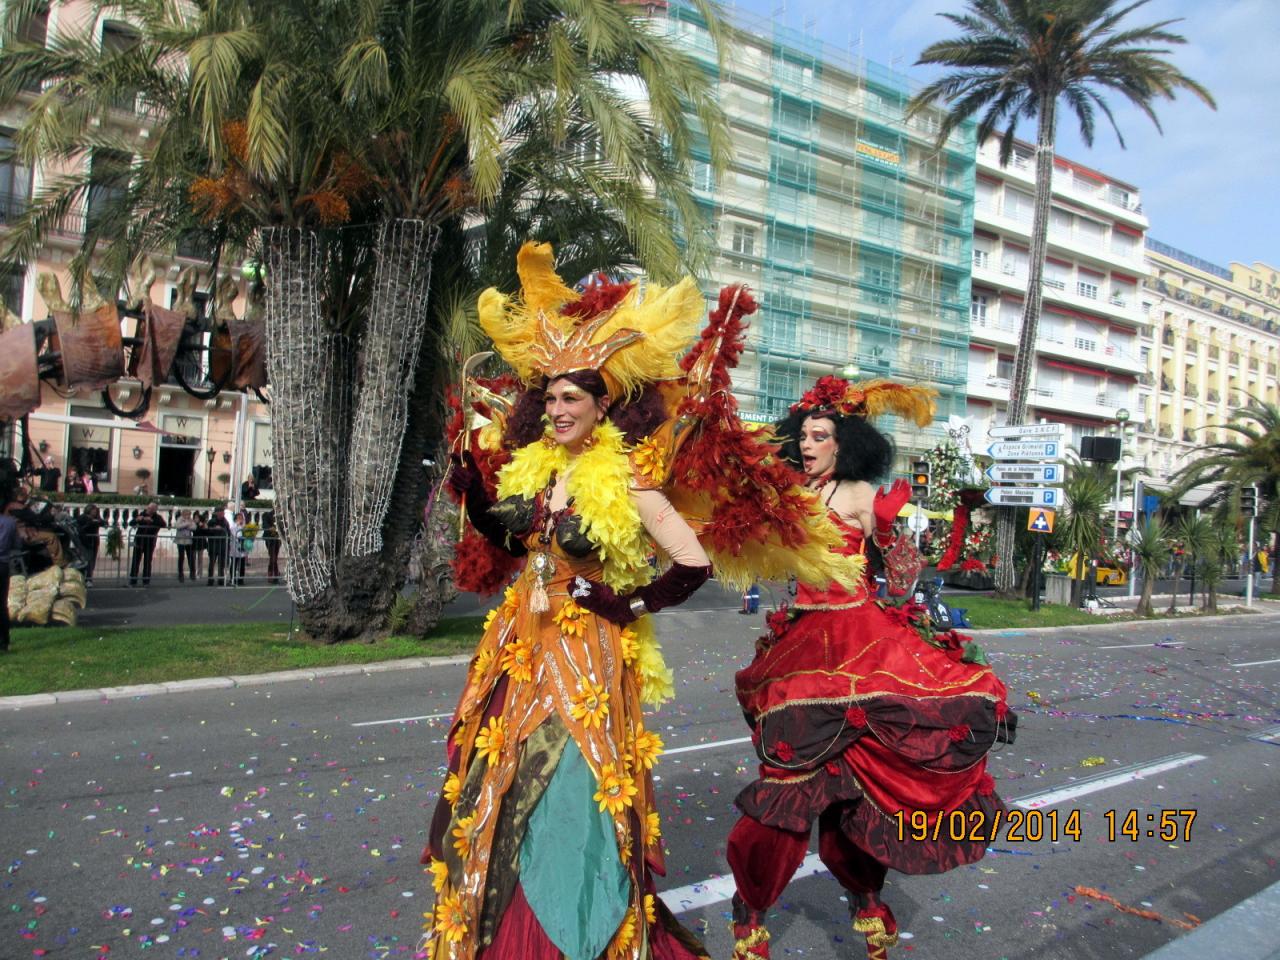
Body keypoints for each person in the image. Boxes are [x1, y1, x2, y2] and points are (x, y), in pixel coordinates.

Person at [726, 376, 1017, 960]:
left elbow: (905, 576)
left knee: (853, 789)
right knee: (787, 785)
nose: (809, 445)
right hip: (802, 644)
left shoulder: (859, 493)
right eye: (803, 435)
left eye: (821, 436)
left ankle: (864, 899)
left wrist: (888, 528)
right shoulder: (789, 494)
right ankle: (752, 912)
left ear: (845, 442)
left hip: (861, 638)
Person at [128, 502, 167, 586]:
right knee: (135, 560)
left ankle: (146, 580)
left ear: (154, 510)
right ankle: (133, 580)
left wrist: (151, 521)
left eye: (151, 508)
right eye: (148, 508)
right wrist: (139, 519)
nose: (148, 510)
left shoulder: (157, 517)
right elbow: (131, 523)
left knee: (147, 561)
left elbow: (163, 524)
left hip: (150, 542)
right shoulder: (142, 514)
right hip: (139, 541)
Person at [75, 504, 108, 585]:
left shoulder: (97, 518)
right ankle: (82, 578)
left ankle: (89, 578)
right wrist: (91, 521)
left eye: (96, 511)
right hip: (85, 541)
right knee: (84, 560)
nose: (95, 512)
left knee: (92, 560)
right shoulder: (82, 517)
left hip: (94, 541)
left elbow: (104, 523)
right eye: (93, 511)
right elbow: (79, 524)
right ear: (89, 510)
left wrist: (99, 520)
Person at [206, 509, 229, 585]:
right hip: (213, 544)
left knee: (221, 564)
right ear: (217, 513)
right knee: (212, 563)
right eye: (221, 513)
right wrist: (214, 528)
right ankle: (210, 579)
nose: (222, 514)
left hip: (222, 545)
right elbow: (207, 531)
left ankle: (221, 579)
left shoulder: (225, 521)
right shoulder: (212, 521)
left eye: (223, 513)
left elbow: (228, 532)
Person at [174, 510, 197, 582]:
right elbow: (178, 526)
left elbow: (194, 527)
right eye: (187, 514)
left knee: (191, 557)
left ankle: (192, 573)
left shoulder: (191, 520)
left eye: (189, 514)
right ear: (183, 514)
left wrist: (186, 525)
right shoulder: (180, 519)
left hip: (188, 541)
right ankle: (180, 574)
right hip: (180, 541)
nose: (188, 516)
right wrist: (187, 524)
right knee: (181, 557)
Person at [262, 510, 282, 585]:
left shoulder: (281, 515)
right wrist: (270, 528)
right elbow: (264, 525)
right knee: (272, 557)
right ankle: (272, 574)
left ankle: (274, 574)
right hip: (270, 538)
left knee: (275, 557)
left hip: (277, 538)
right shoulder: (266, 514)